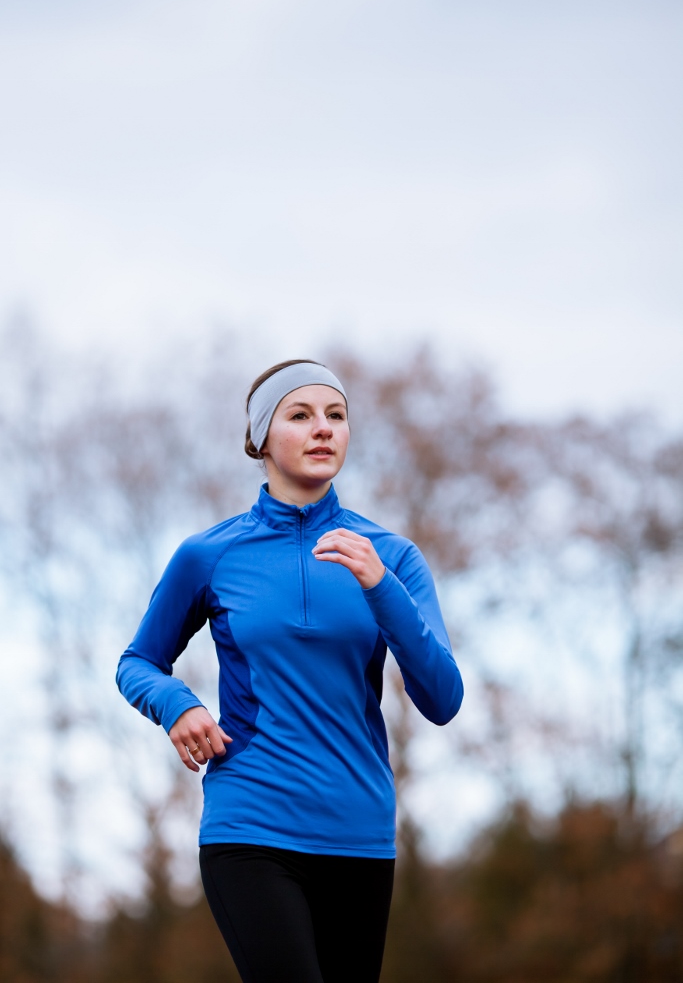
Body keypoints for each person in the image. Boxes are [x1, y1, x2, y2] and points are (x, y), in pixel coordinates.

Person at [116, 359, 464, 983]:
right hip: (251, 823)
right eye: (299, 415)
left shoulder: (391, 557)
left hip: (359, 831)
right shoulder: (210, 554)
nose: (323, 429)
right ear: (260, 438)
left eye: (336, 416)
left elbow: (442, 697)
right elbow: (138, 662)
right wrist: (177, 704)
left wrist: (381, 589)